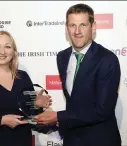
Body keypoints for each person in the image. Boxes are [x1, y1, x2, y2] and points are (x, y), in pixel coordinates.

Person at [35, 3, 121, 146]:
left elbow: (103, 110)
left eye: (83, 25)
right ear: (66, 28)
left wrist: (58, 116)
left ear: (93, 27)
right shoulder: (62, 57)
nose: (77, 31)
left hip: (100, 140)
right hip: (71, 139)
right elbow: (74, 100)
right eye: (72, 25)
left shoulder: (107, 59)